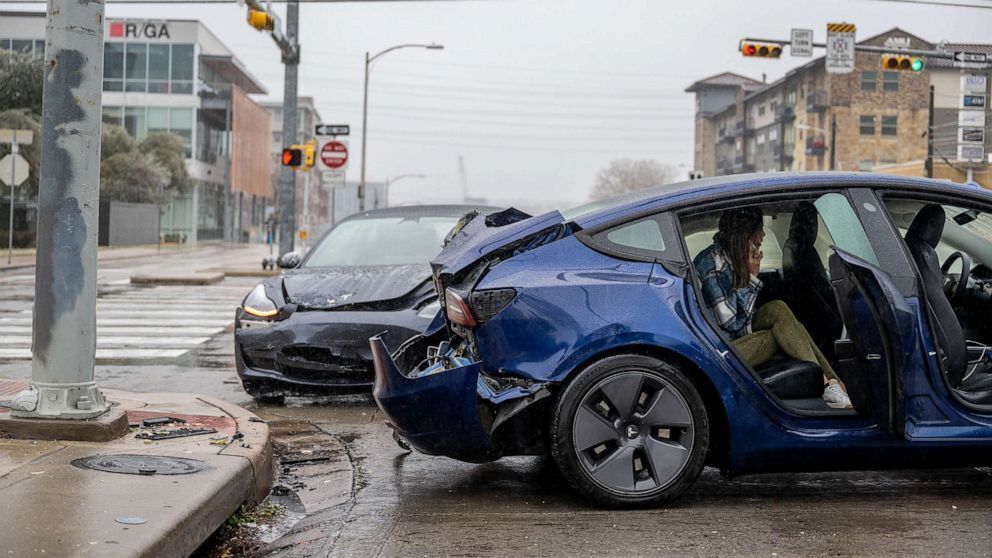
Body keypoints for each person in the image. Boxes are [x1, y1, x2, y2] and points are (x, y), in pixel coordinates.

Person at [693, 207, 852, 409]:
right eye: (759, 228)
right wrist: (751, 277)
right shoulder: (711, 263)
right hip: (719, 350)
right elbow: (730, 322)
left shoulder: (730, 257)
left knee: (779, 310)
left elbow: (741, 319)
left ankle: (834, 383)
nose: (763, 234)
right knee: (780, 335)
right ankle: (829, 385)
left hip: (733, 336)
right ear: (744, 233)